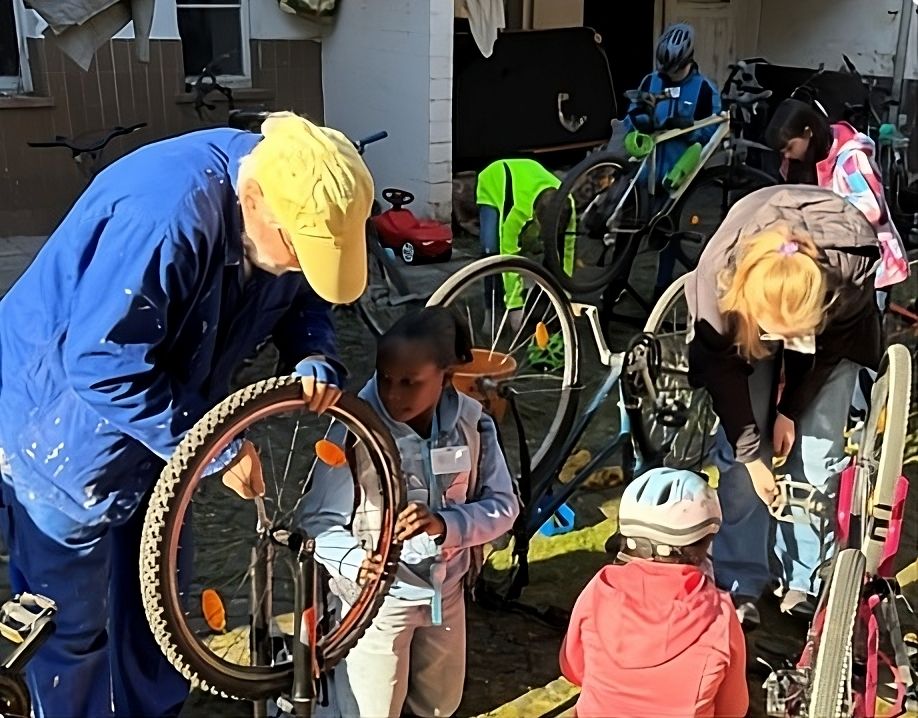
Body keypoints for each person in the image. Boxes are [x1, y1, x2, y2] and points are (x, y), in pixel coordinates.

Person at [0, 112, 374, 717]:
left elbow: (306, 298)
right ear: (254, 202)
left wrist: (313, 352)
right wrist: (216, 448)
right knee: (72, 625)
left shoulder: (290, 204)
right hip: (64, 425)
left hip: (166, 416)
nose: (305, 267)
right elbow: (101, 363)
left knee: (160, 601)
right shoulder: (165, 216)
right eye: (300, 253)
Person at [296, 307, 519, 718]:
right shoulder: (354, 429)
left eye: (409, 383)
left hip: (446, 594)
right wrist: (356, 562)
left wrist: (447, 525)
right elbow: (316, 522)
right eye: (385, 379)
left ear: (446, 378)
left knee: (440, 705)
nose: (393, 395)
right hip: (376, 605)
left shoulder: (473, 424)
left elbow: (505, 507)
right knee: (370, 710)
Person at [685, 185, 883, 624]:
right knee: (740, 466)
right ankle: (740, 578)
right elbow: (724, 377)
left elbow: (829, 353)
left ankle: (805, 577)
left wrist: (791, 409)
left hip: (831, 335)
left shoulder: (850, 273)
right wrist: (753, 454)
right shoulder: (717, 287)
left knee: (817, 455)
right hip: (741, 315)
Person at [560, 467, 748, 718]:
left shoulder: (599, 588)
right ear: (706, 540)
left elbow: (572, 668)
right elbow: (733, 710)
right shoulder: (721, 615)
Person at [617, 22, 722, 300]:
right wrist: (640, 120)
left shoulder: (704, 89)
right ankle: (614, 287)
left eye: (673, 70)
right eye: (664, 70)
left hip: (678, 176)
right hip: (642, 173)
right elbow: (631, 116)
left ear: (687, 61)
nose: (667, 76)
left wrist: (687, 128)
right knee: (626, 234)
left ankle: (660, 293)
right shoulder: (651, 80)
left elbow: (712, 130)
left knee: (668, 237)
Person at [765, 97, 909, 288]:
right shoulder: (802, 159)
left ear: (808, 132)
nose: (787, 156)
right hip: (837, 258)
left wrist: (820, 213)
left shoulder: (851, 159)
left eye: (790, 148)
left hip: (872, 263)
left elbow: (873, 211)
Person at [476, 158, 574, 310]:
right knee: (492, 251)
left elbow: (567, 250)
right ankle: (492, 312)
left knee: (552, 251)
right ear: (535, 216)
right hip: (494, 178)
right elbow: (508, 256)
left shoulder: (568, 203)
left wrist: (566, 294)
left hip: (528, 174)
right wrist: (515, 305)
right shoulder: (517, 212)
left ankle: (543, 303)